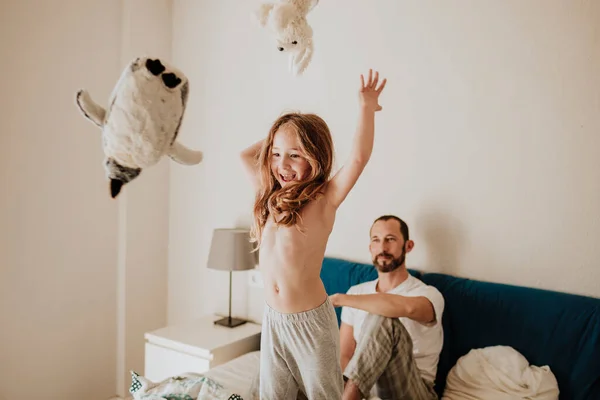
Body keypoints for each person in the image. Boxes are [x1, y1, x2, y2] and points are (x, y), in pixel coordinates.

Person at [240, 69, 387, 399]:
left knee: (324, 395)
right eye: (276, 155)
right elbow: (245, 156)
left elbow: (359, 158)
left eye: (295, 155)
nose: (283, 164)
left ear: (315, 157)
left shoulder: (324, 200)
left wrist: (366, 107)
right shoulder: (268, 196)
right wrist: (284, 131)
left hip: (310, 324)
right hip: (274, 319)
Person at [329, 215, 445, 400]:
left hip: (413, 390)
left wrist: (340, 299)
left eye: (390, 239)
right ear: (370, 248)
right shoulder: (355, 292)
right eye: (376, 240)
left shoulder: (428, 294)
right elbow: (345, 355)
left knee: (382, 318)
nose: (382, 248)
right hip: (365, 388)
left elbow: (408, 309)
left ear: (408, 246)